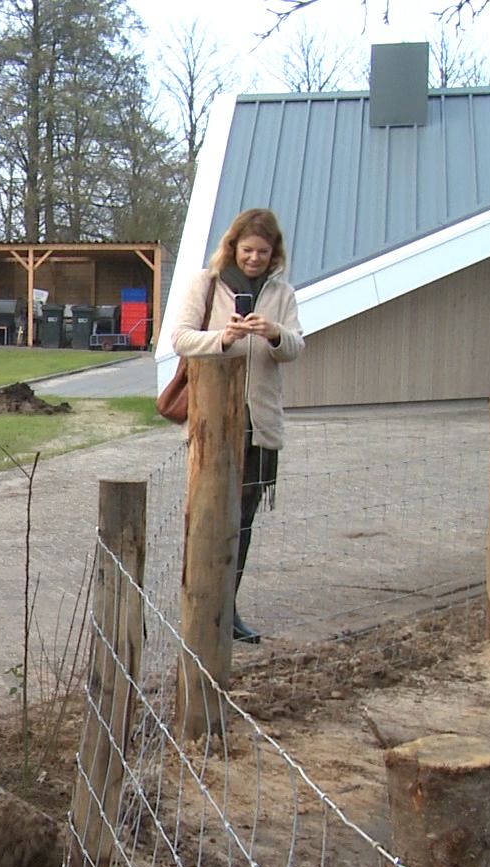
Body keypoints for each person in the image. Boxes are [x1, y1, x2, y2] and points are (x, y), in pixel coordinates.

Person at [170, 207, 305, 646]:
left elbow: (296, 346)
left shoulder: (281, 292)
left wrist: (274, 333)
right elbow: (181, 338)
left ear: (273, 253)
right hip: (214, 421)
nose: (254, 259)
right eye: (247, 250)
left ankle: (227, 610)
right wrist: (223, 338)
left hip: (259, 423)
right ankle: (198, 605)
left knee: (243, 519)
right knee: (208, 514)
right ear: (233, 247)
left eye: (262, 253)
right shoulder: (205, 284)